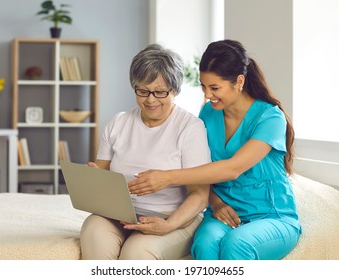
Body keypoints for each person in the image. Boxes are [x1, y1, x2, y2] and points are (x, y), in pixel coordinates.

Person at [128, 39, 302, 260]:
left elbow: (232, 169)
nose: (207, 95)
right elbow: (201, 168)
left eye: (214, 88)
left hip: (271, 217)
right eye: (203, 86)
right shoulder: (209, 113)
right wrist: (216, 202)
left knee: (236, 244)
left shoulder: (270, 118)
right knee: (204, 246)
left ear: (239, 81)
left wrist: (168, 177)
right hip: (222, 213)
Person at [80, 44, 211, 260]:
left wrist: (169, 225)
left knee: (136, 253)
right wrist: (94, 178)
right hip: (118, 215)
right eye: (142, 91)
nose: (150, 100)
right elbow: (102, 173)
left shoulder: (190, 128)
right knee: (94, 232)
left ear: (175, 90)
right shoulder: (118, 123)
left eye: (160, 92)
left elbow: (199, 195)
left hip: (173, 218)